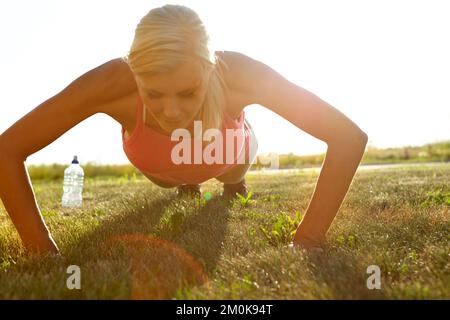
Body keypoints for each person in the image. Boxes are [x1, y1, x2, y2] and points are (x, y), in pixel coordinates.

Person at [0, 5, 367, 255]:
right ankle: (188, 183)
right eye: (153, 93)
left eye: (189, 92)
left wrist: (307, 239)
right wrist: (41, 249)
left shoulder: (240, 75)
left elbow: (348, 137)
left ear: (211, 69)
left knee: (232, 173)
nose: (171, 110)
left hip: (229, 155)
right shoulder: (111, 83)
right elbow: (7, 149)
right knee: (174, 180)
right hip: (160, 166)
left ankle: (233, 182)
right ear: (134, 75)